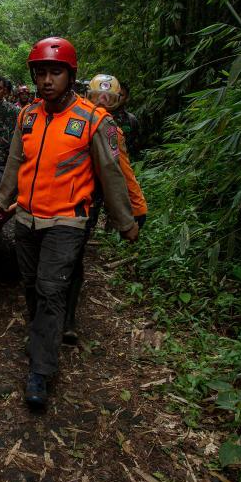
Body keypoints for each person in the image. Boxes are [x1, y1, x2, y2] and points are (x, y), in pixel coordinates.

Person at [0, 37, 139, 410]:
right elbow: (14, 162)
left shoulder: (94, 119)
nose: (47, 80)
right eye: (41, 72)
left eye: (55, 71)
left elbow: (111, 173)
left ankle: (40, 371)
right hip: (26, 218)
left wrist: (126, 221)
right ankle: (41, 335)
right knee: (29, 286)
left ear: (70, 75)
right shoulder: (26, 115)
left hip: (68, 220)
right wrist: (0, 202)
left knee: (51, 290)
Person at [61, 73, 149, 345]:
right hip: (55, 197)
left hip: (85, 201)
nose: (102, 102)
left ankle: (66, 319)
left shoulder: (112, 129)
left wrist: (135, 209)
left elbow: (121, 169)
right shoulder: (67, 114)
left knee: (73, 256)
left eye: (108, 98)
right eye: (98, 96)